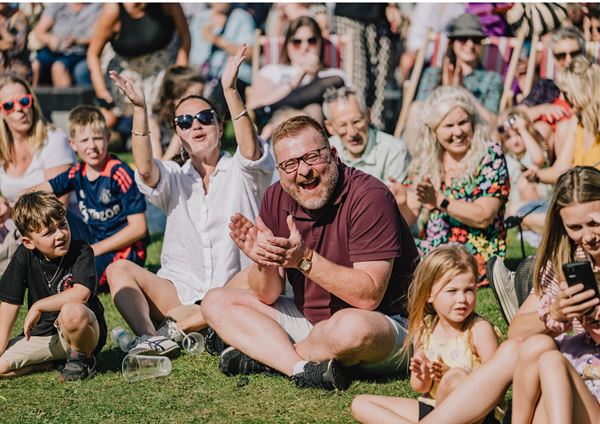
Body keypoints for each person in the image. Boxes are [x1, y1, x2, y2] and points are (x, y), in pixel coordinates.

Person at [201, 115, 419, 391]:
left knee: (350, 329)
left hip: (385, 324)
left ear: (334, 155)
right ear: (279, 171)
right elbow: (267, 294)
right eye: (290, 164)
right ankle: (300, 367)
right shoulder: (274, 197)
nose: (303, 171)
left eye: (312, 157)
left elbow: (369, 296)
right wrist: (265, 262)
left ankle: (268, 355)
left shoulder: (370, 196)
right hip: (311, 321)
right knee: (214, 302)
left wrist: (304, 260)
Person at [105, 46, 274, 356]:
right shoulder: (174, 176)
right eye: (184, 122)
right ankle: (153, 339)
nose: (195, 125)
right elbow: (145, 168)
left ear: (219, 127)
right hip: (178, 294)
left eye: (205, 118)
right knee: (119, 271)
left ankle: (175, 330)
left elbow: (250, 151)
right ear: (178, 135)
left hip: (232, 290)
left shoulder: (241, 170)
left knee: (261, 272)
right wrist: (140, 111)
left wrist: (229, 90)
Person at [407, 166, 600, 424]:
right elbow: (517, 331)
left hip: (584, 384)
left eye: (595, 223)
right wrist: (555, 312)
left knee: (550, 359)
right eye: (575, 227)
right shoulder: (565, 259)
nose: (587, 237)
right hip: (566, 379)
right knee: (532, 345)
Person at [351, 245, 500, 423]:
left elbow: (495, 383)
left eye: (469, 290)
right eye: (452, 291)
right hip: (434, 407)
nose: (462, 299)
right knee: (360, 403)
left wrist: (449, 376)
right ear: (429, 294)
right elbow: (419, 387)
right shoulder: (425, 328)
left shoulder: (479, 330)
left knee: (455, 378)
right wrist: (423, 375)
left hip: (474, 414)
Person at [394, 86, 509, 284]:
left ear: (473, 122)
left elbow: (484, 216)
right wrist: (400, 202)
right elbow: (410, 216)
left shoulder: (490, 154)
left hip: (476, 254)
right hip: (434, 249)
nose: (458, 132)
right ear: (434, 131)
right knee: (390, 250)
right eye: (449, 126)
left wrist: (440, 200)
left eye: (463, 122)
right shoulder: (427, 160)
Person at [34, 105, 148, 291]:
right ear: (73, 144)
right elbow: (38, 190)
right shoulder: (77, 172)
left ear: (108, 138)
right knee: (56, 215)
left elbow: (139, 228)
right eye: (84, 140)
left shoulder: (119, 173)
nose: (92, 146)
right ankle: (38, 266)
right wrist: (11, 203)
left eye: (97, 138)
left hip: (122, 248)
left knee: (76, 280)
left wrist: (94, 250)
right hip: (93, 239)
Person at [0, 191, 106, 381]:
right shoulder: (24, 255)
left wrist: (38, 305)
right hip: (45, 336)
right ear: (28, 242)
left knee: (72, 311)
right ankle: (51, 364)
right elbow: (9, 303)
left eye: (63, 225)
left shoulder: (81, 250)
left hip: (82, 332)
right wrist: (0, 347)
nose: (60, 235)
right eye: (49, 232)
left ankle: (82, 360)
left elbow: (81, 294)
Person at [87, 3, 190, 146]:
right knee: (107, 120)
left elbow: (184, 36)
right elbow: (92, 54)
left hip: (160, 67)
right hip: (125, 69)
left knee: (155, 124)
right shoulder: (113, 9)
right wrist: (102, 92)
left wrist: (179, 74)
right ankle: (120, 133)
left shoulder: (168, 4)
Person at [247, 16, 349, 126]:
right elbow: (253, 108)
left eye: (311, 41)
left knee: (314, 108)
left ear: (321, 44)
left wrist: (314, 77)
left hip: (317, 127)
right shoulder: (272, 70)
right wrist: (299, 76)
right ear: (287, 45)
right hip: (277, 126)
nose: (305, 47)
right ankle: (270, 109)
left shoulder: (332, 74)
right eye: (297, 42)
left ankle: (271, 109)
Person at [526, 57, 600, 185]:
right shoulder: (577, 122)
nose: (562, 98)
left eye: (565, 93)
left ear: (579, 92)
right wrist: (537, 175)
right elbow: (560, 169)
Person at [323, 86, 410, 183]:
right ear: (330, 127)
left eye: (356, 121)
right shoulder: (326, 152)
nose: (352, 132)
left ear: (368, 115)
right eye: (343, 125)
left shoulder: (394, 151)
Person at [188, 3, 254, 107]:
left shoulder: (241, 17)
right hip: (202, 75)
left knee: (216, 99)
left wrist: (217, 40)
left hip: (232, 75)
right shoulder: (200, 18)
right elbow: (192, 54)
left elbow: (249, 53)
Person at [32, 3, 102, 87]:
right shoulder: (57, 4)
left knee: (59, 68)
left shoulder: (96, 7)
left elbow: (99, 36)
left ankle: (62, 99)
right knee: (35, 65)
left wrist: (77, 40)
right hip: (54, 49)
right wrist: (50, 39)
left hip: (78, 52)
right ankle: (33, 97)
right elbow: (39, 31)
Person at [148, 65, 205, 161]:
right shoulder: (154, 122)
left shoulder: (203, 120)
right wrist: (182, 126)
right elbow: (161, 166)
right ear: (174, 97)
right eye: (193, 97)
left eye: (202, 95)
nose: (200, 101)